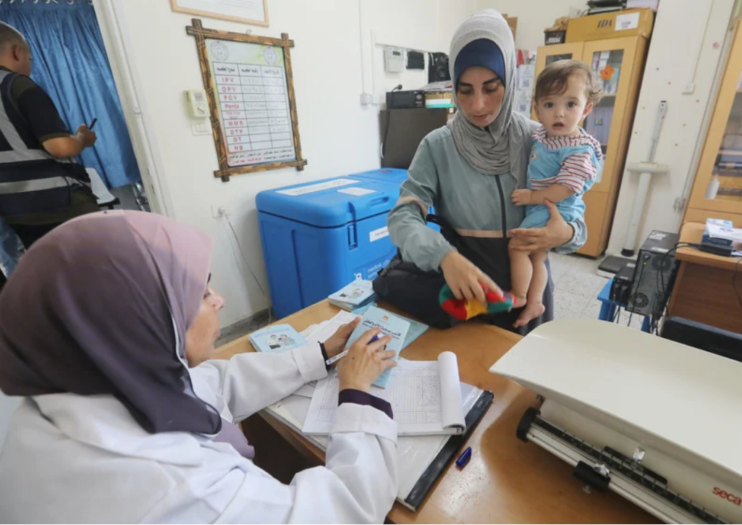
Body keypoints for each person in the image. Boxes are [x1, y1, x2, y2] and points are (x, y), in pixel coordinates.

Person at [0, 210, 399, 523]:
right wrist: (357, 393)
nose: (219, 300)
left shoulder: (72, 390)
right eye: (200, 291)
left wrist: (318, 352)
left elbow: (209, 383)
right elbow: (347, 513)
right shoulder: (181, 491)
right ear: (140, 320)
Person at [387, 10, 587, 333]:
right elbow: (402, 219)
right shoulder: (437, 146)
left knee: (523, 379)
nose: (478, 105)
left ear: (509, 76)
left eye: (491, 87)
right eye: (465, 90)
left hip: (531, 294)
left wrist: (565, 233)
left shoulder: (542, 139)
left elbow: (576, 216)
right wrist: (443, 257)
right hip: (469, 298)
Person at [509, 60, 603, 328]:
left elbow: (566, 188)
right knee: (537, 255)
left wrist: (531, 197)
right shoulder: (543, 134)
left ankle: (519, 295)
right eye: (550, 105)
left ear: (586, 109)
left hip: (554, 208)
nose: (559, 114)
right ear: (537, 109)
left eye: (570, 104)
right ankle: (535, 300)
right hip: (544, 207)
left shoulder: (578, 148)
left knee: (517, 247)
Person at [0, 22, 98, 252]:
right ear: (17, 51)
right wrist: (82, 138)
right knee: (101, 267)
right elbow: (59, 147)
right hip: (58, 203)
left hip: (15, 210)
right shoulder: (17, 85)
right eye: (30, 58)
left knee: (55, 275)